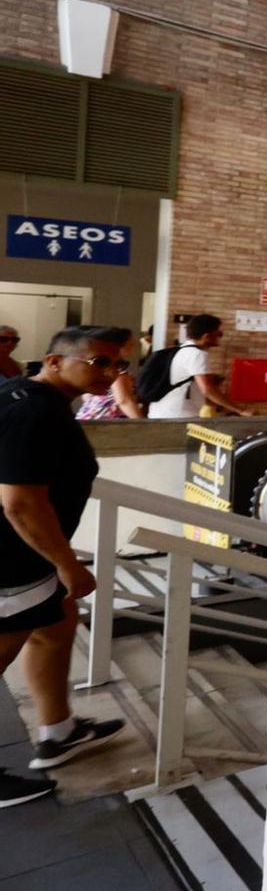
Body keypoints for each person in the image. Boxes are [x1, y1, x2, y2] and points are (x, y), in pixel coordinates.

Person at [0, 326, 133, 807]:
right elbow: (20, 504)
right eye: (98, 362)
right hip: (12, 562)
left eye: (117, 365)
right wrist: (67, 565)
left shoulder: (23, 396)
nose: (110, 373)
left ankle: (59, 731)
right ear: (54, 361)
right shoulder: (35, 412)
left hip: (23, 559)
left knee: (56, 627)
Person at [150, 314, 251, 418]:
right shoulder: (197, 354)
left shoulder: (181, 351)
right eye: (219, 334)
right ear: (206, 336)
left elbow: (202, 392)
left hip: (163, 412)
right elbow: (207, 389)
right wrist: (241, 410)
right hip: (178, 415)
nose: (220, 337)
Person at [78, 335, 146, 420]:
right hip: (106, 420)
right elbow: (123, 401)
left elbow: (86, 395)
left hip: (88, 416)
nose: (133, 347)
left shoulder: (98, 368)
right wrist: (141, 423)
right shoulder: (118, 372)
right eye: (129, 344)